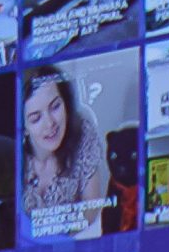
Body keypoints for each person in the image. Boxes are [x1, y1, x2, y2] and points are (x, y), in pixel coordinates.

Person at [21, 64, 109, 240]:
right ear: (23, 127)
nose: (50, 124)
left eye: (55, 107)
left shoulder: (83, 133)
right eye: (36, 118)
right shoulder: (9, 154)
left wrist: (56, 244)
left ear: (65, 103)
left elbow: (91, 209)